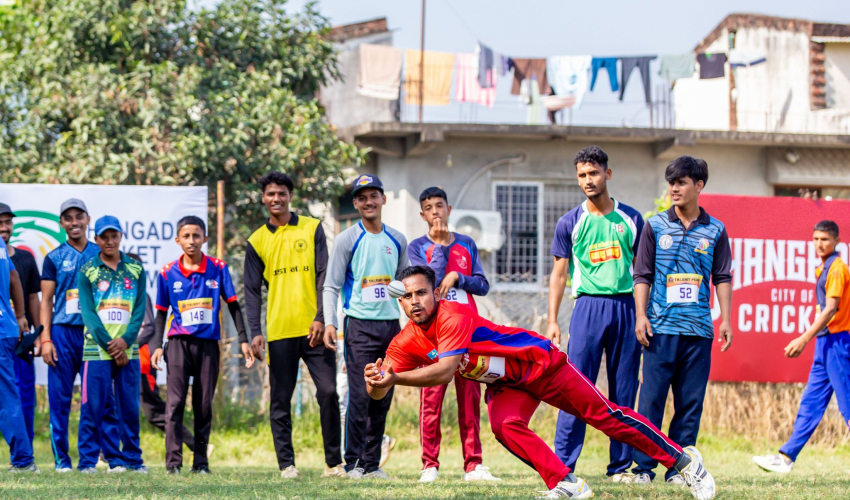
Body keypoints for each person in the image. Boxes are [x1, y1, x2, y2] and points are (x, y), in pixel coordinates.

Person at [365, 266, 716, 499]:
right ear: (401, 300)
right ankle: (567, 483)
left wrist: (396, 377)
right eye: (408, 296)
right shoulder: (405, 340)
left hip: (539, 364)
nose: (415, 301)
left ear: (436, 295)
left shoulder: (452, 316)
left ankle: (684, 463)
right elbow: (379, 388)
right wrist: (379, 380)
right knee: (505, 425)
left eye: (422, 293)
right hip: (507, 384)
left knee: (605, 416)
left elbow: (444, 371)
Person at [631, 156, 733, 484]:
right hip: (660, 329)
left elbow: (723, 277)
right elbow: (642, 275)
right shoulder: (655, 226)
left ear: (699, 186)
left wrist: (726, 321)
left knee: (689, 404)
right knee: (651, 400)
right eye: (671, 182)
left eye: (681, 182)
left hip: (699, 330)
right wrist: (641, 316)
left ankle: (680, 469)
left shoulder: (716, 230)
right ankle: (643, 469)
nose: (674, 188)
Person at [547, 146, 645, 482]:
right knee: (575, 388)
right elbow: (559, 274)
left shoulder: (632, 219)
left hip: (626, 307)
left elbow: (644, 273)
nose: (588, 180)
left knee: (623, 391)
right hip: (587, 307)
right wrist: (552, 320)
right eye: (582, 175)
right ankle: (563, 467)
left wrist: (645, 314)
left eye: (593, 173)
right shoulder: (570, 222)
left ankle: (620, 467)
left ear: (608, 174)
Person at [244, 172, 343, 479]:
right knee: (280, 401)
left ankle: (333, 464)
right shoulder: (256, 240)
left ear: (290, 196)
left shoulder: (312, 227)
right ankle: (287, 465)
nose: (277, 198)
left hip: (315, 331)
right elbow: (250, 291)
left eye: (282, 193)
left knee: (328, 393)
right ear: (264, 198)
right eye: (271, 193)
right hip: (280, 331)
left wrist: (321, 317)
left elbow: (324, 275)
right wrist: (256, 333)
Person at [150, 216, 254, 474]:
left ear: (205, 238)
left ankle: (201, 463)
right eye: (186, 236)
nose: (191, 241)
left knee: (204, 405)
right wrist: (157, 345)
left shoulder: (218, 268)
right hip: (177, 345)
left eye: (196, 236)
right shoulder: (167, 272)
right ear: (178, 240)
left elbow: (233, 305)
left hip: (208, 345)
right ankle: (173, 464)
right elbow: (161, 312)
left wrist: (244, 340)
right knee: (174, 404)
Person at [408, 187, 498, 483]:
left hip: (467, 331)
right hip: (434, 335)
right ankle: (429, 465)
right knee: (431, 398)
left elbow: (483, 285)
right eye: (429, 208)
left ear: (448, 209)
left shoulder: (468, 243)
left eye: (439, 206)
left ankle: (473, 465)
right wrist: (440, 248)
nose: (435, 212)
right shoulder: (418, 246)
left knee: (470, 398)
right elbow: (425, 284)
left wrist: (459, 277)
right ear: (422, 215)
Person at [323, 174, 409, 480]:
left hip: (391, 329)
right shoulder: (347, 239)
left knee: (382, 395)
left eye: (374, 196)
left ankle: (372, 465)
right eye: (361, 197)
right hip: (358, 328)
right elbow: (331, 286)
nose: (368, 202)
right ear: (356, 203)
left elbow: (405, 284)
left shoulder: (398, 239)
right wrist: (330, 322)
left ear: (383, 199)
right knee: (360, 395)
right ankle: (353, 464)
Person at [753, 220, 850, 473]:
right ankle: (786, 458)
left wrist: (803, 338)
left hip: (838, 343)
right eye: (816, 238)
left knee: (847, 404)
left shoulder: (837, 268)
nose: (819, 244)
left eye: (825, 239)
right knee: (811, 401)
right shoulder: (824, 267)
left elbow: (831, 309)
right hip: (825, 344)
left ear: (837, 241)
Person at [40, 199, 121, 472]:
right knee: (60, 399)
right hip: (63, 335)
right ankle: (62, 461)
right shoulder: (53, 258)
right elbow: (46, 301)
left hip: (95, 334)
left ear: (88, 219)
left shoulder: (102, 254)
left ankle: (96, 460)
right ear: (61, 223)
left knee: (99, 399)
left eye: (79, 216)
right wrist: (46, 339)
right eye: (68, 218)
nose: (74, 222)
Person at [77, 215, 149, 474]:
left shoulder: (136, 270)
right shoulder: (87, 271)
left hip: (128, 349)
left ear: (120, 237)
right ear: (96, 240)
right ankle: (88, 461)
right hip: (97, 349)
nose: (109, 241)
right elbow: (88, 313)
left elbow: (139, 310)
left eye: (114, 236)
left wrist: (125, 341)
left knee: (129, 406)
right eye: (104, 237)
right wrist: (110, 344)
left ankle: (132, 460)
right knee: (93, 406)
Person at [131, 252, 196, 456]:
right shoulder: (121, 295)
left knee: (154, 412)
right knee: (115, 406)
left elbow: (149, 327)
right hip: (125, 362)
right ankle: (107, 453)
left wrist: (127, 345)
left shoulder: (142, 296)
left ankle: (195, 444)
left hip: (141, 363)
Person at [0, 203, 42, 445]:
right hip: (5, 331)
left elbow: (33, 295)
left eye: (8, 222)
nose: (4, 227)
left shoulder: (25, 257)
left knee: (23, 392)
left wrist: (36, 332)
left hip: (19, 335)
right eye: (0, 222)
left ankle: (25, 448)